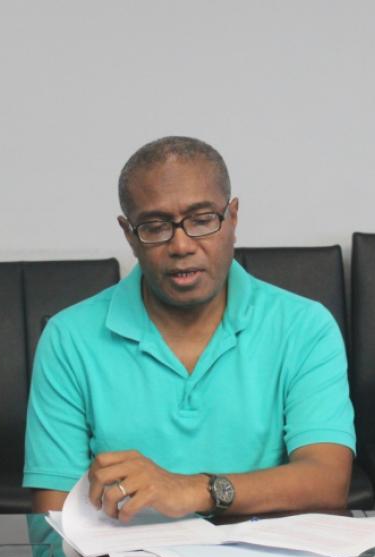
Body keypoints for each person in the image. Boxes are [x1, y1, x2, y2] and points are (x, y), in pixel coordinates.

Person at [23, 136, 355, 521]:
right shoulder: (69, 339)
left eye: (201, 220)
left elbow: (327, 484)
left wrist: (193, 489)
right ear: (129, 234)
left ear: (232, 218)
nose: (181, 245)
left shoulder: (305, 327)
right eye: (155, 226)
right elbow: (54, 518)